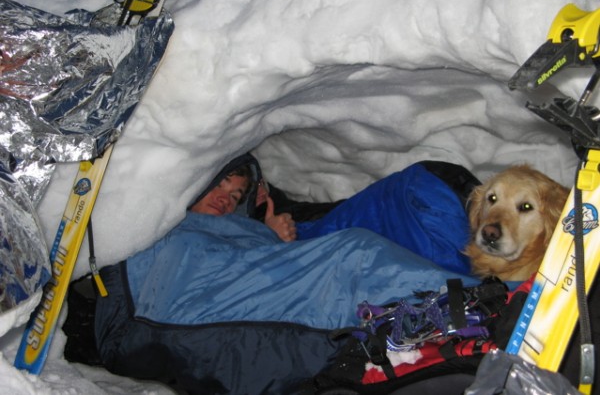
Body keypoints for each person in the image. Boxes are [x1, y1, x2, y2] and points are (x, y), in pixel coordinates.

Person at [63, 153, 481, 395]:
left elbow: (268, 274)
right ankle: (483, 313)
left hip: (228, 295)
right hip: (151, 305)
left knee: (361, 249)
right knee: (351, 262)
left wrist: (266, 238)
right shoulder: (157, 225)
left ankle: (481, 308)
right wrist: (267, 241)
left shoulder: (250, 229)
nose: (226, 201)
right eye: (219, 187)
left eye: (236, 196)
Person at [251, 159, 481, 275]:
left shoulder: (282, 209)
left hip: (420, 196)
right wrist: (269, 239)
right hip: (424, 203)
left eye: (260, 182)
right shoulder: (245, 235)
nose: (260, 190)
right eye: (239, 194)